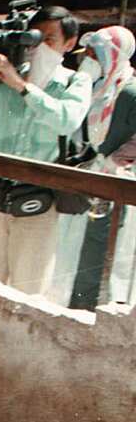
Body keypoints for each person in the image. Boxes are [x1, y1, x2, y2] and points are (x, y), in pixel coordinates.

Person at [0, 6, 89, 297]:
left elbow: (66, 121)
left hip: (39, 201)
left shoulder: (74, 82)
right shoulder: (0, 80)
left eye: (49, 40)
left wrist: (21, 87)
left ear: (70, 43)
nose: (38, 48)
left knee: (27, 293)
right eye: (34, 39)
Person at [59, 26, 136, 309]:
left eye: (95, 55)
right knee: (74, 249)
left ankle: (90, 309)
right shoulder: (90, 89)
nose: (88, 60)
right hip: (85, 182)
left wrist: (113, 160)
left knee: (100, 251)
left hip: (114, 184)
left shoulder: (129, 92)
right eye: (88, 54)